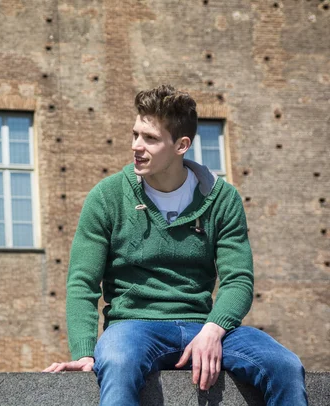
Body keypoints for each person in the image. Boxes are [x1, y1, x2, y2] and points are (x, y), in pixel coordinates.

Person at [44, 85, 308, 405]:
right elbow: (83, 283)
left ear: (182, 145)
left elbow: (238, 279)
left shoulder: (221, 199)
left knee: (285, 365)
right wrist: (85, 353)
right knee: (118, 360)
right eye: (135, 134)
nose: (136, 146)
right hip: (133, 328)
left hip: (203, 324)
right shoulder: (107, 197)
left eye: (150, 139)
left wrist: (213, 329)